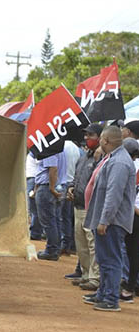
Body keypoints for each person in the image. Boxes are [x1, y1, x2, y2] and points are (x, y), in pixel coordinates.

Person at [83, 126, 136, 312]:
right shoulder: (113, 158)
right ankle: (103, 293)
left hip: (112, 221)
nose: (98, 142)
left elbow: (114, 195)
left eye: (101, 139)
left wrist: (104, 220)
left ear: (106, 140)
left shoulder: (120, 162)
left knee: (111, 260)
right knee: (104, 259)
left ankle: (111, 298)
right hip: (107, 219)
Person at [65, 124, 102, 291]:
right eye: (86, 135)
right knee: (81, 244)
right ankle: (86, 274)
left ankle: (95, 278)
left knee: (91, 243)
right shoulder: (84, 157)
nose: (87, 138)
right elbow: (76, 177)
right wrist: (71, 188)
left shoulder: (100, 158)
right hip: (78, 205)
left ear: (101, 138)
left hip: (91, 207)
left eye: (91, 135)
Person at [34, 150, 66, 261]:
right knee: (55, 220)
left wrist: (51, 188)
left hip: (48, 187)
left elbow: (53, 168)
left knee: (48, 221)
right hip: (57, 186)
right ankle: (55, 249)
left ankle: (52, 250)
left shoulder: (50, 148)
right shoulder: (60, 148)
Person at [120, 137, 139, 303]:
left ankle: (130, 286)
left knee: (133, 253)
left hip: (135, 213)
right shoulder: (134, 165)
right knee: (129, 251)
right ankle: (129, 284)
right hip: (131, 212)